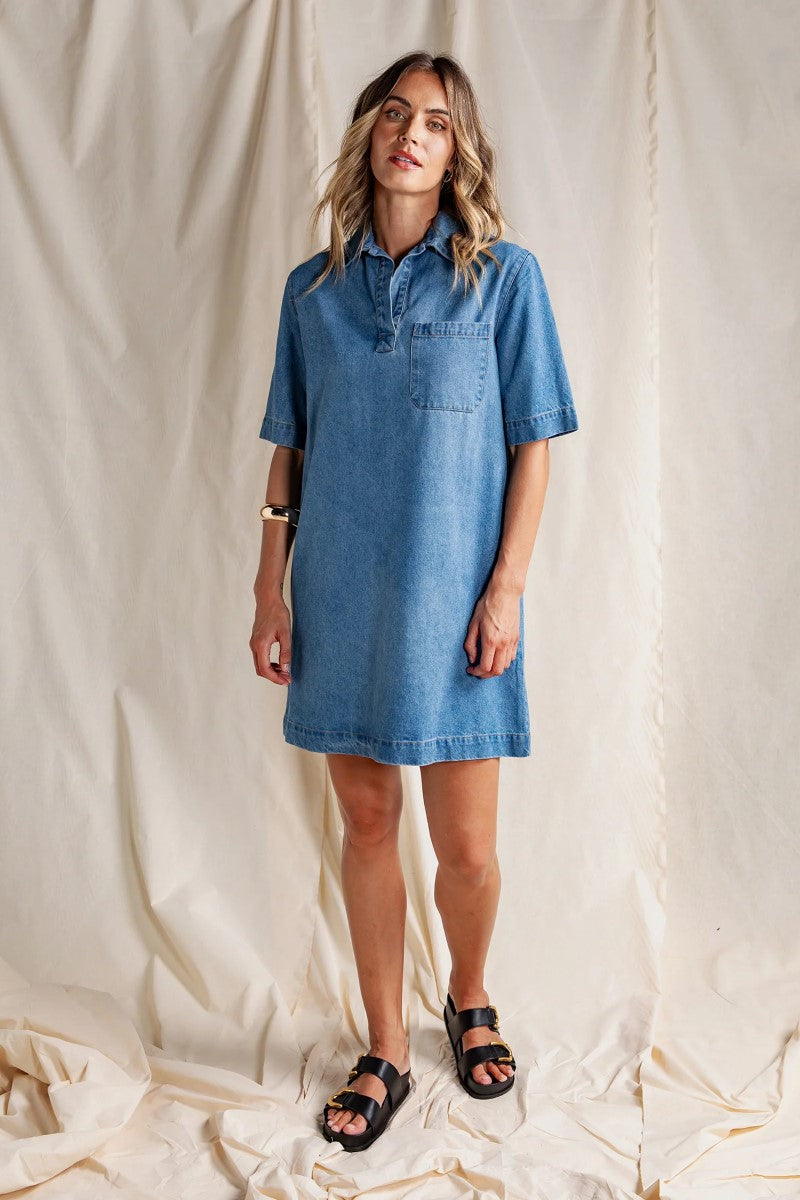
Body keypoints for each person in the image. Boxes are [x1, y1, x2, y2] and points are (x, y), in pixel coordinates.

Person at [250, 51, 578, 1151]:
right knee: (368, 822)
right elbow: (288, 453)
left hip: (459, 607)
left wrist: (507, 592)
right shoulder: (312, 291)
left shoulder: (503, 280)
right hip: (338, 595)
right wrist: (269, 589)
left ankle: (468, 993)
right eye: (395, 114)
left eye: (435, 122)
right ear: (367, 135)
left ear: (456, 151)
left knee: (469, 850)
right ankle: (385, 1044)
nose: (411, 133)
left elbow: (534, 448)